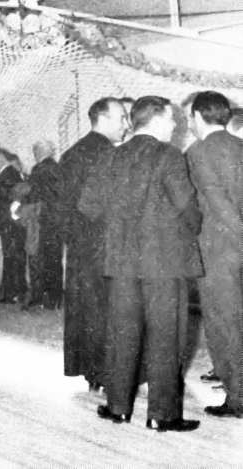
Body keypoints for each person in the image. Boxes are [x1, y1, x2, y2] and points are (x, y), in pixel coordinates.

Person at [79, 96, 202, 432]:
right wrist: (188, 228)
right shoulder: (168, 155)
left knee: (121, 335)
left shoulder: (110, 155)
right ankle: (162, 415)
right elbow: (187, 206)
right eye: (171, 119)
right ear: (156, 120)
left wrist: (118, 226)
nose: (174, 125)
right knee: (166, 337)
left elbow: (88, 206)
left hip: (121, 263)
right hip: (164, 263)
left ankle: (117, 407)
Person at [60, 97, 127, 391]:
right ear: (103, 118)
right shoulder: (109, 154)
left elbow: (63, 207)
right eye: (121, 117)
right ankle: (106, 372)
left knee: (84, 310)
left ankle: (91, 373)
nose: (126, 124)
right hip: (106, 246)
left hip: (80, 247)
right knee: (106, 310)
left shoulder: (72, 154)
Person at [185, 91, 243, 418]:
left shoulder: (198, 151)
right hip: (235, 247)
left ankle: (238, 398)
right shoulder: (240, 146)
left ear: (197, 116)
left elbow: (217, 202)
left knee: (224, 323)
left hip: (219, 251)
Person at [25, 140, 62, 309]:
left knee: (37, 261)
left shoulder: (38, 169)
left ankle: (37, 298)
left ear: (38, 152)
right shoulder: (58, 168)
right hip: (56, 221)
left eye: (35, 150)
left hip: (40, 220)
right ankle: (55, 299)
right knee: (54, 260)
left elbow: (32, 195)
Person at [0, 148, 26, 304]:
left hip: (9, 224)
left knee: (11, 258)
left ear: (1, 159)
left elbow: (5, 197)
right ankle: (16, 291)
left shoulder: (7, 175)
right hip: (14, 223)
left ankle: (11, 293)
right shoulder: (12, 173)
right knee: (14, 257)